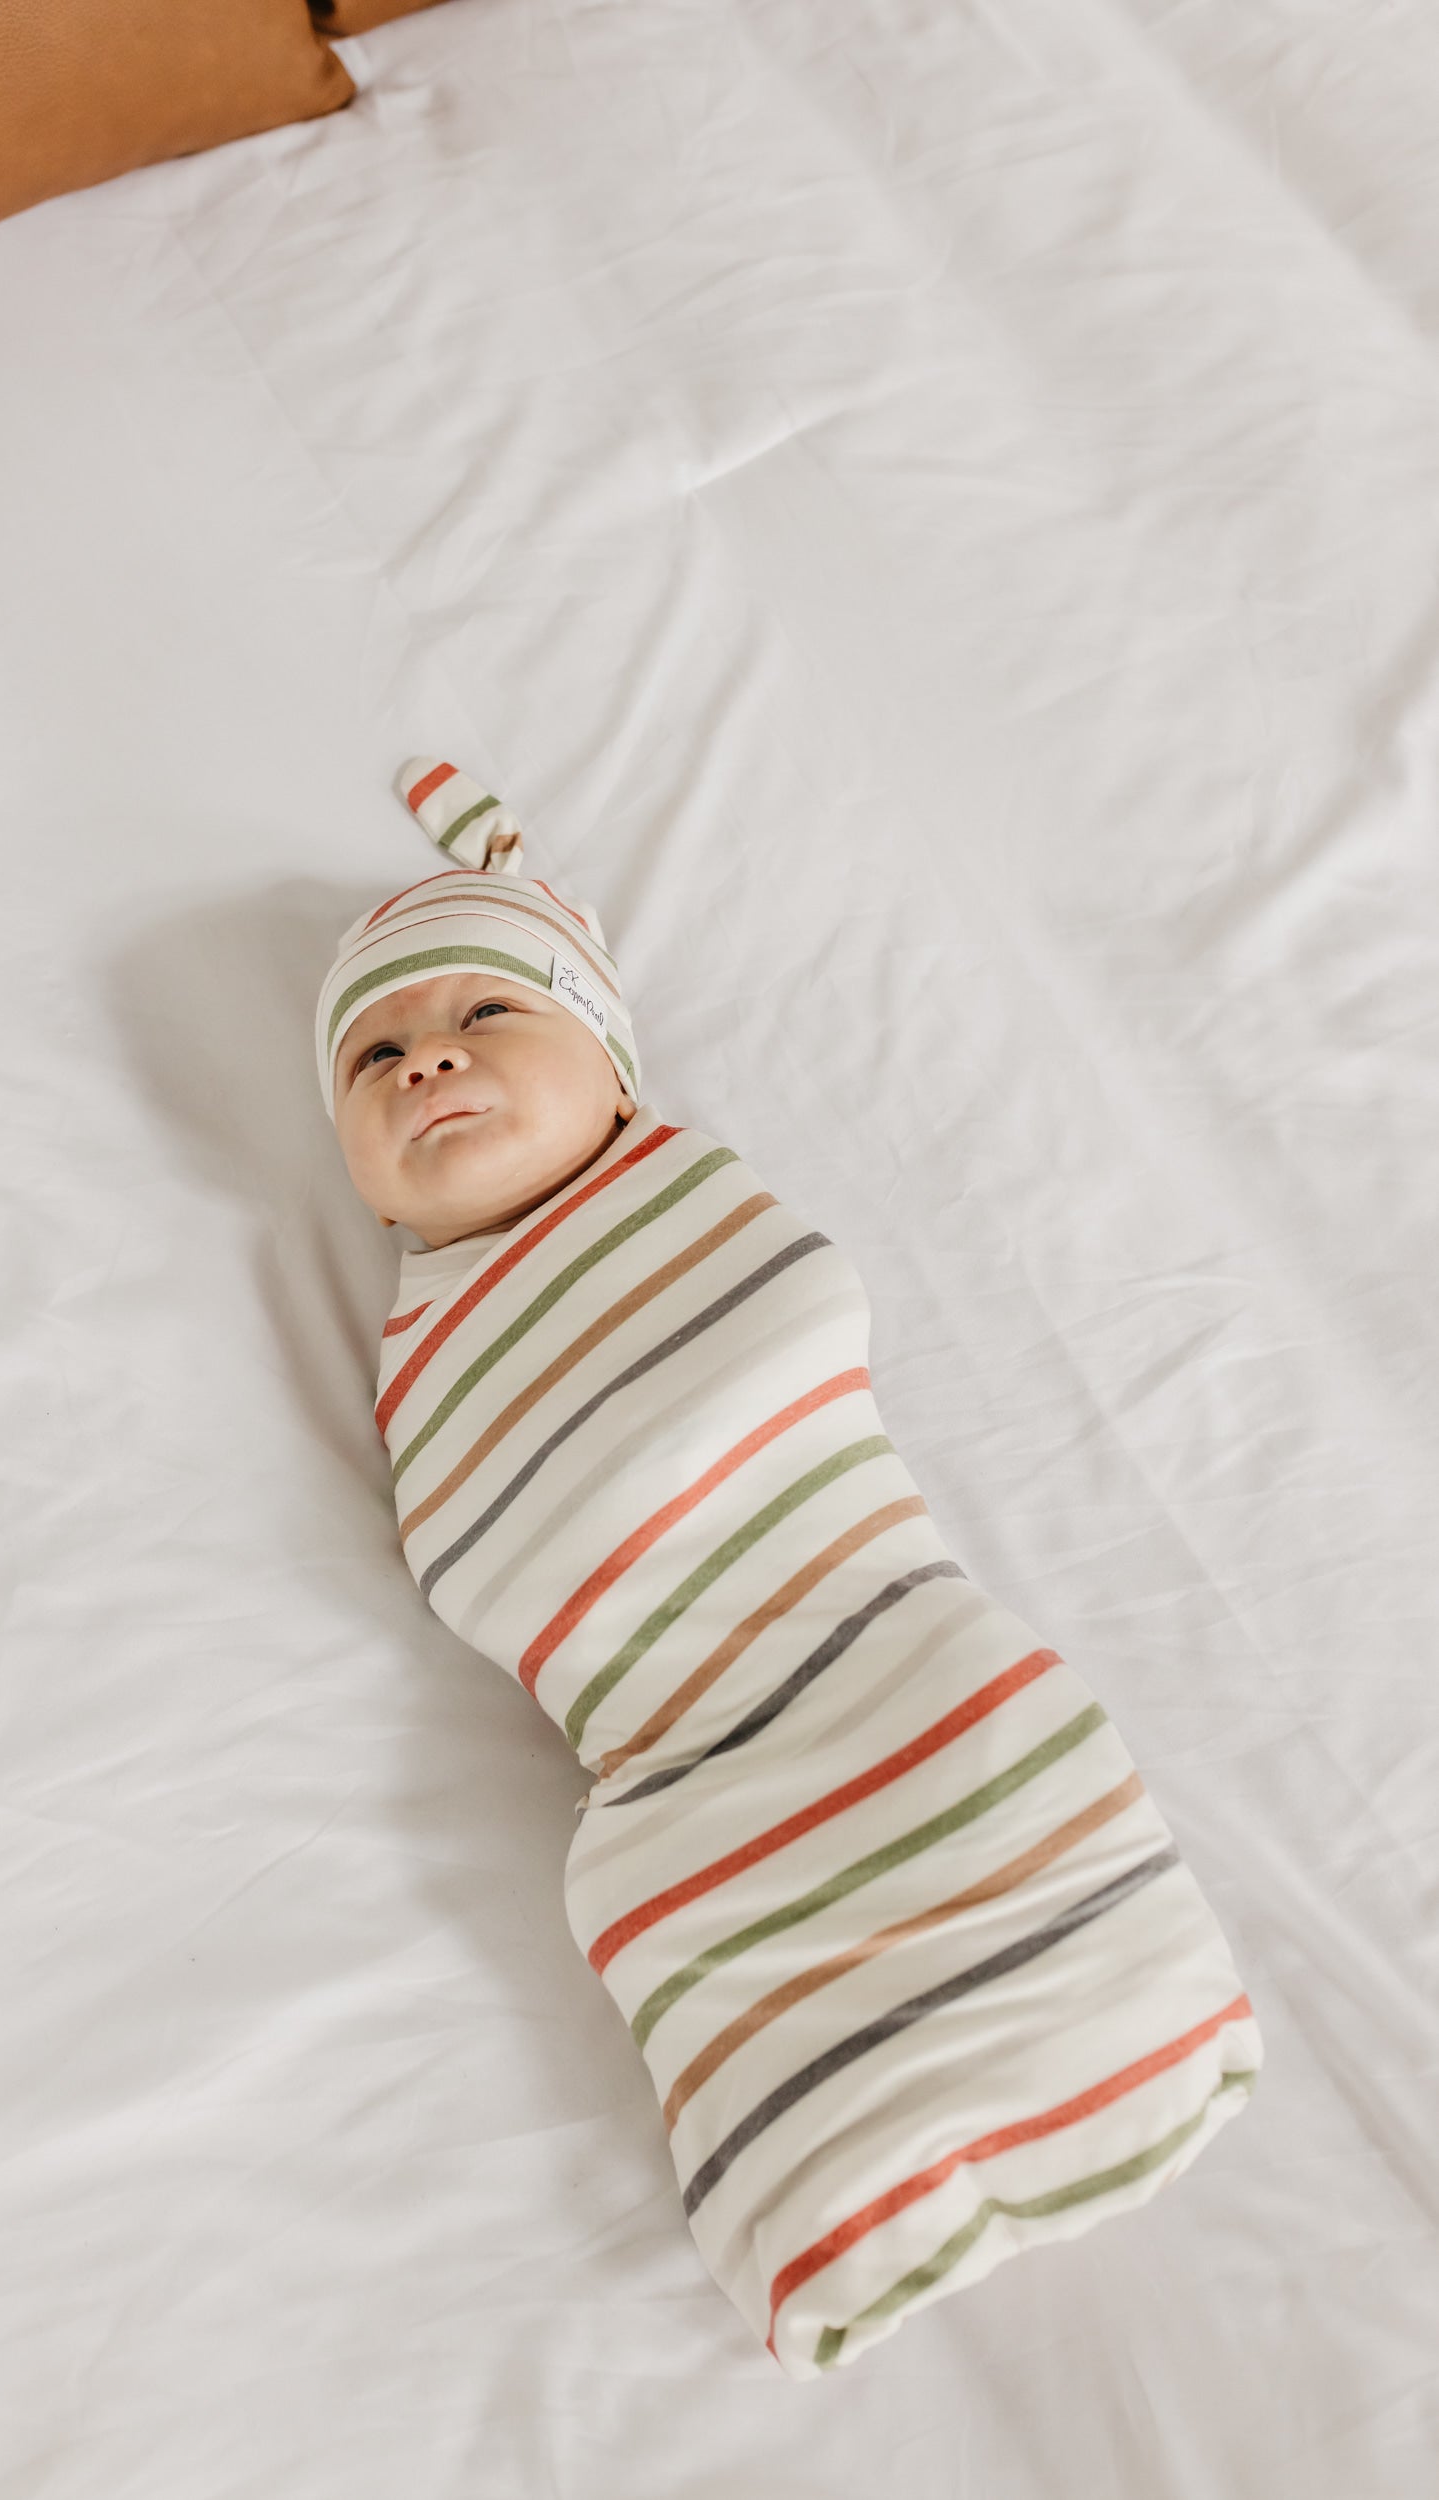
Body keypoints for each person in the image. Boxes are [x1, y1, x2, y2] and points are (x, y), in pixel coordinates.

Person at [316, 761, 1261, 2380]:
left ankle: (1117, 2040)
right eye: (375, 1058)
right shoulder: (419, 1344)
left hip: (869, 1630)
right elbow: (485, 1554)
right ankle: (829, 2199)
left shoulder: (672, 1196)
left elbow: (776, 1339)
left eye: (486, 1012)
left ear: (613, 1069)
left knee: (985, 1764)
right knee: (653, 1904)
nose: (431, 1061)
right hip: (662, 1755)